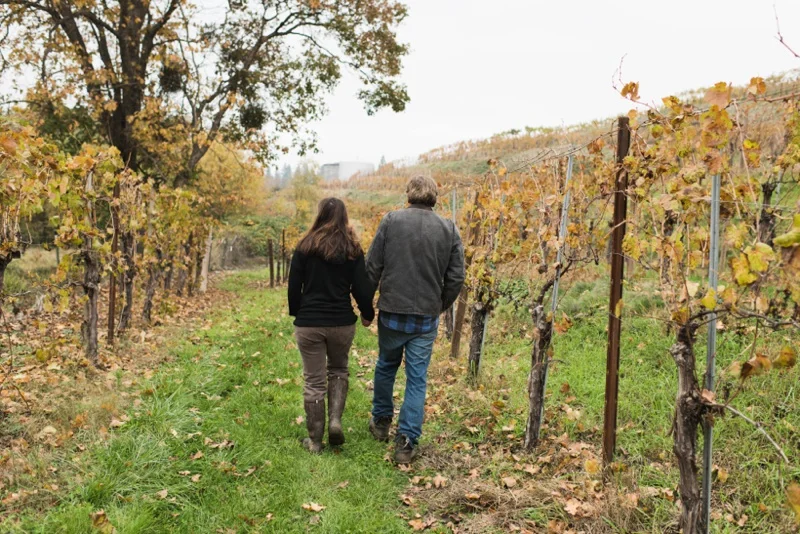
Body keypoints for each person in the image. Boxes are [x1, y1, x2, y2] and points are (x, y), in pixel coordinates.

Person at [365, 176, 465, 463]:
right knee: (417, 378)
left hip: (392, 312)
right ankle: (406, 441)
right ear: (434, 197)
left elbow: (372, 266)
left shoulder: (391, 221)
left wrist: (366, 305)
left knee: (386, 365)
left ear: (408, 194)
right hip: (425, 317)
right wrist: (440, 305)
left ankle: (381, 422)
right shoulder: (449, 228)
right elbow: (456, 277)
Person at [288, 198, 375, 453]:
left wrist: (298, 313)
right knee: (338, 370)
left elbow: (294, 287)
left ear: (319, 215)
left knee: (314, 381)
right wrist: (367, 313)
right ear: (344, 217)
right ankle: (335, 421)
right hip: (341, 322)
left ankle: (315, 440)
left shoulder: (305, 246)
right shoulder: (352, 249)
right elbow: (362, 287)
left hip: (310, 323)